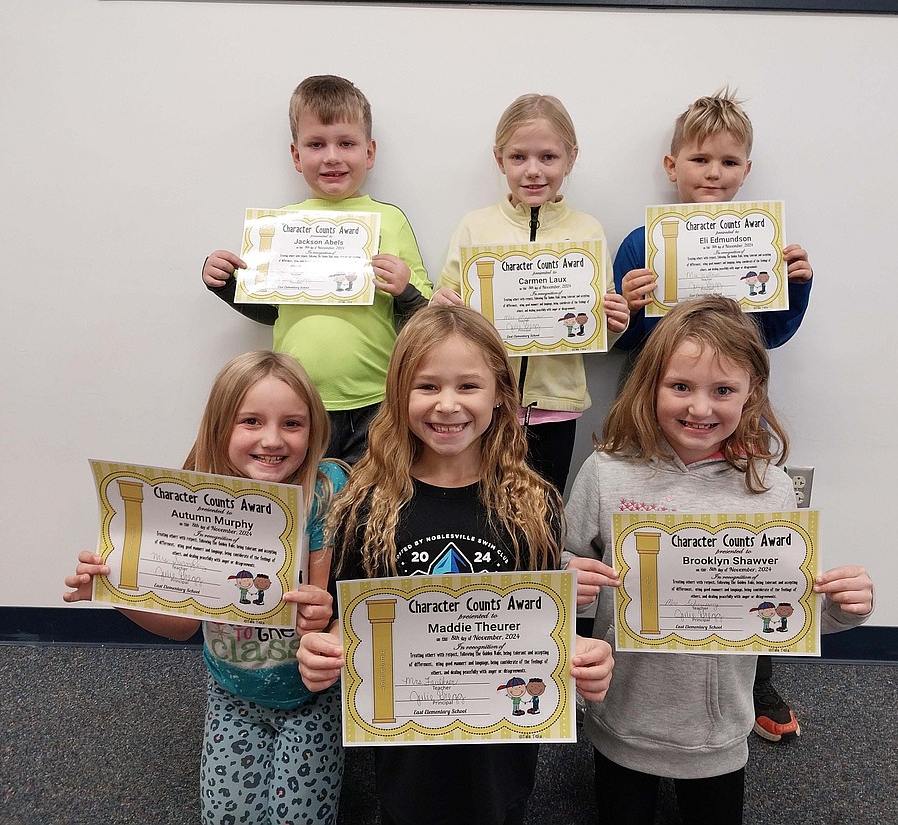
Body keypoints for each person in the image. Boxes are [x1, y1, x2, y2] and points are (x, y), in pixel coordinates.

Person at [295, 305, 615, 825]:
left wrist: (579, 655)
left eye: (468, 386)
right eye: (427, 387)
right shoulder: (364, 504)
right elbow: (345, 617)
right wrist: (327, 649)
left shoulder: (533, 505)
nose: (447, 405)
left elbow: (539, 625)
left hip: (502, 748)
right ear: (398, 395)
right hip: (406, 750)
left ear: (500, 396)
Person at [563, 296, 873, 825]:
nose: (700, 408)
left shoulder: (770, 488)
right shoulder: (606, 471)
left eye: (723, 390)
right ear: (650, 385)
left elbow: (783, 611)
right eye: (681, 386)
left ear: (751, 394)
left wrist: (844, 609)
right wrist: (567, 577)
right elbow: (561, 564)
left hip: (719, 726)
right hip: (622, 714)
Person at [64, 351, 347, 825]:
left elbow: (322, 613)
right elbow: (178, 629)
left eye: (293, 424)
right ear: (220, 429)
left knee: (297, 818)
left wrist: (320, 614)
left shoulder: (324, 489)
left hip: (311, 697)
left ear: (315, 430)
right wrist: (113, 594)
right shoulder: (193, 499)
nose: (272, 440)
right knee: (227, 817)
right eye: (251, 421)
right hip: (231, 691)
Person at [613, 88, 813, 741]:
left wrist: (798, 286)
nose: (713, 173)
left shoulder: (762, 240)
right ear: (672, 166)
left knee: (747, 541)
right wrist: (630, 301)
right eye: (700, 159)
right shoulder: (644, 240)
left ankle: (755, 675)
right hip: (656, 416)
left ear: (746, 172)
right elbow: (619, 339)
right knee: (651, 530)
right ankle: (633, 663)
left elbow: (774, 334)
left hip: (737, 418)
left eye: (729, 162)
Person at [201, 74, 433, 465]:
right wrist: (226, 284)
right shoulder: (281, 226)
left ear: (369, 152)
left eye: (346, 143)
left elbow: (426, 322)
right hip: (298, 401)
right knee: (309, 503)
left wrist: (405, 292)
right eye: (316, 144)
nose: (331, 157)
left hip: (377, 398)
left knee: (368, 504)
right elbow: (270, 311)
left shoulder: (390, 220)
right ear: (296, 155)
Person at [431, 93, 629, 494]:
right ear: (499, 158)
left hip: (557, 406)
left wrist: (615, 323)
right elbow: (446, 313)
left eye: (548, 157)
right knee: (481, 505)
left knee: (544, 508)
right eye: (519, 157)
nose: (533, 171)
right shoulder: (474, 227)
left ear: (571, 158)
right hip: (483, 404)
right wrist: (440, 308)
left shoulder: (588, 231)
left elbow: (599, 331)